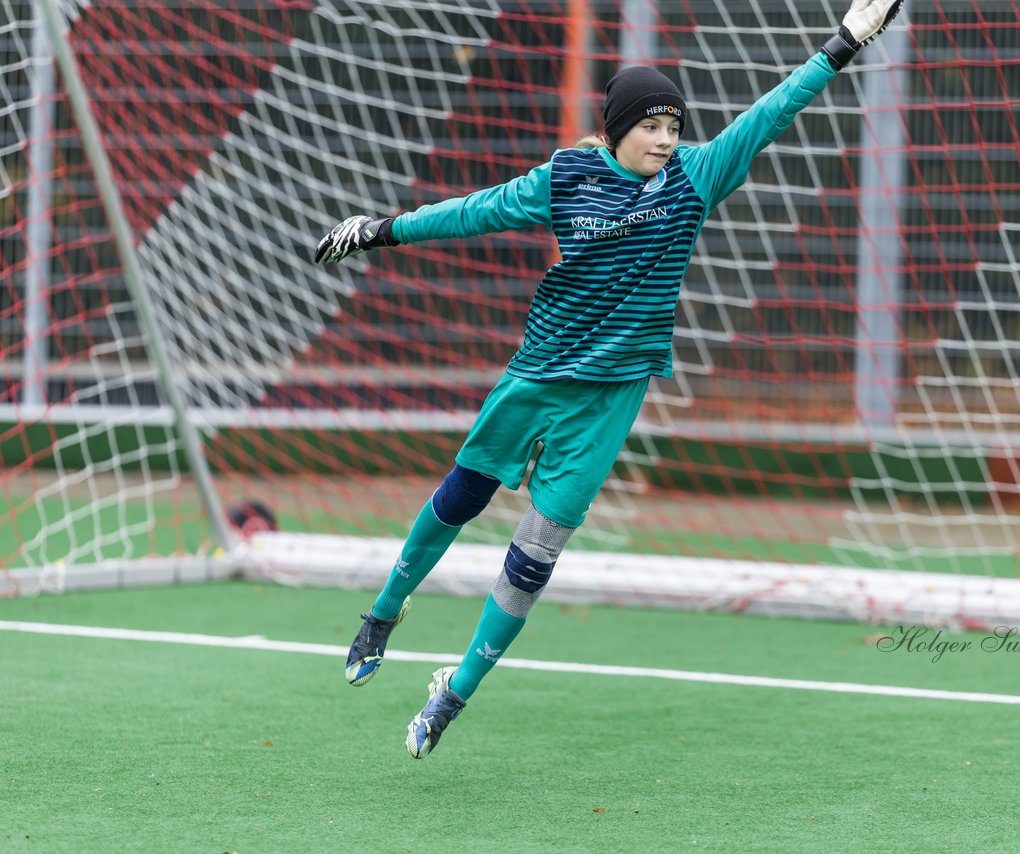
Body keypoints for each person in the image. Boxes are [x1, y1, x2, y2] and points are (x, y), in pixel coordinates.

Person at [314, 0, 905, 760]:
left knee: (536, 553)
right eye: (652, 125)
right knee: (462, 496)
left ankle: (453, 693)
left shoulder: (695, 178)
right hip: (537, 374)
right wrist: (381, 230)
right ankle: (384, 612)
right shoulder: (567, 177)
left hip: (611, 398)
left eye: (674, 127)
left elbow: (771, 112)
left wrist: (844, 42)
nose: (665, 139)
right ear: (619, 126)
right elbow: (474, 212)